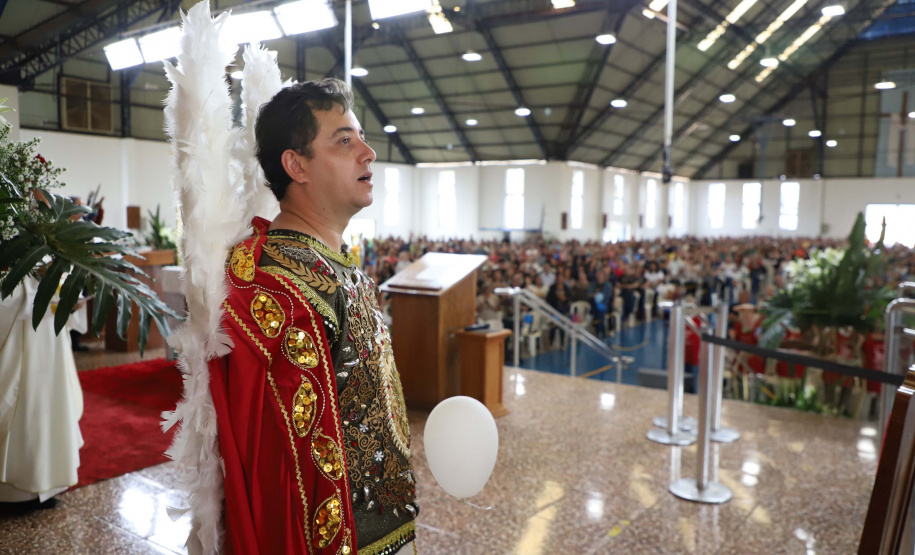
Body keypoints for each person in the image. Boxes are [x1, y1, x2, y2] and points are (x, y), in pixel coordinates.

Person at [208, 80, 416, 555]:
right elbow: (285, 478)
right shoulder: (278, 286)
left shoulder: (334, 265)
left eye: (361, 136)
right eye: (345, 141)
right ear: (295, 165)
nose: (369, 152)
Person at [0, 277, 84, 508]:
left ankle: (48, 483)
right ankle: (13, 493)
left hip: (49, 331)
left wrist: (65, 294)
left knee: (50, 400)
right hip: (19, 331)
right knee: (24, 401)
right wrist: (36, 294)